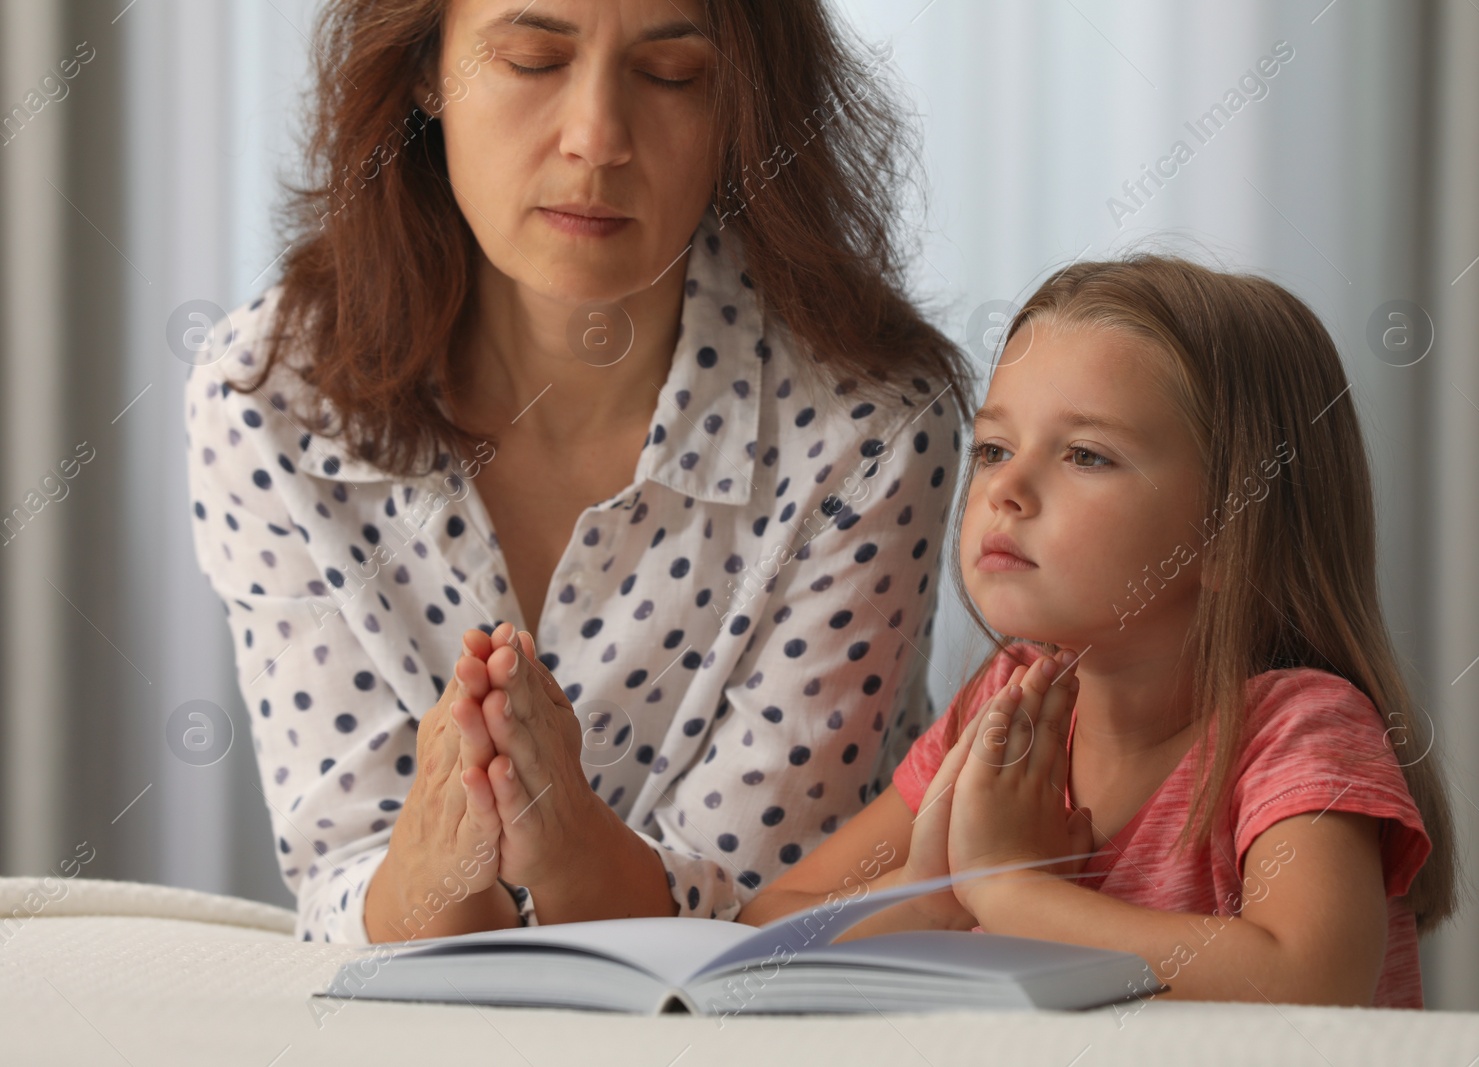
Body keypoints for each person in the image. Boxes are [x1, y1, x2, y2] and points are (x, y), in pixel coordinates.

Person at [185, 0, 969, 943]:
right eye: (531, 59)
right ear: (428, 70)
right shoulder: (273, 400)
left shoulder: (866, 429)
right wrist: (442, 866)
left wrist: (561, 844)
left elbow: (765, 921)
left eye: (674, 75)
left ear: (745, 108)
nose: (597, 140)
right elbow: (347, 880)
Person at [740, 255, 1459, 1008]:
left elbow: (1308, 980)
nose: (1006, 492)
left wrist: (1007, 891)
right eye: (993, 449)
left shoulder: (1299, 732)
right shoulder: (1002, 705)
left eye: (1085, 454)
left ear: (1229, 531)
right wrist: (931, 893)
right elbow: (764, 931)